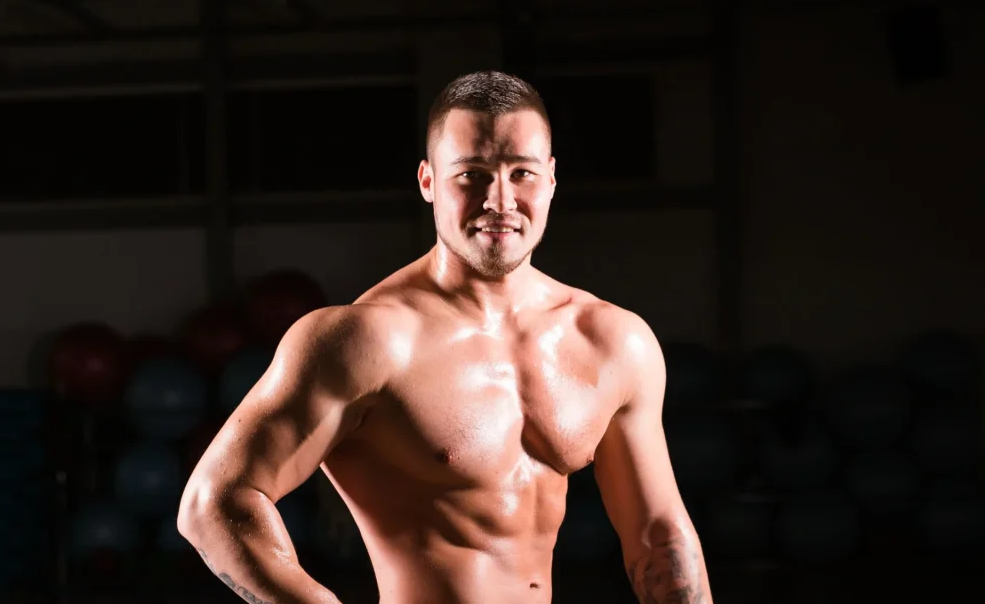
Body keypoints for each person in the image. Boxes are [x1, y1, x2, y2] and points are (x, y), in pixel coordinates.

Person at [177, 71, 712, 604]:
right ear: (428, 181)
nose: (500, 200)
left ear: (551, 179)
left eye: (521, 173)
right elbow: (213, 504)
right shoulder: (367, 341)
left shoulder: (613, 341)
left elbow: (657, 537)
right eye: (472, 174)